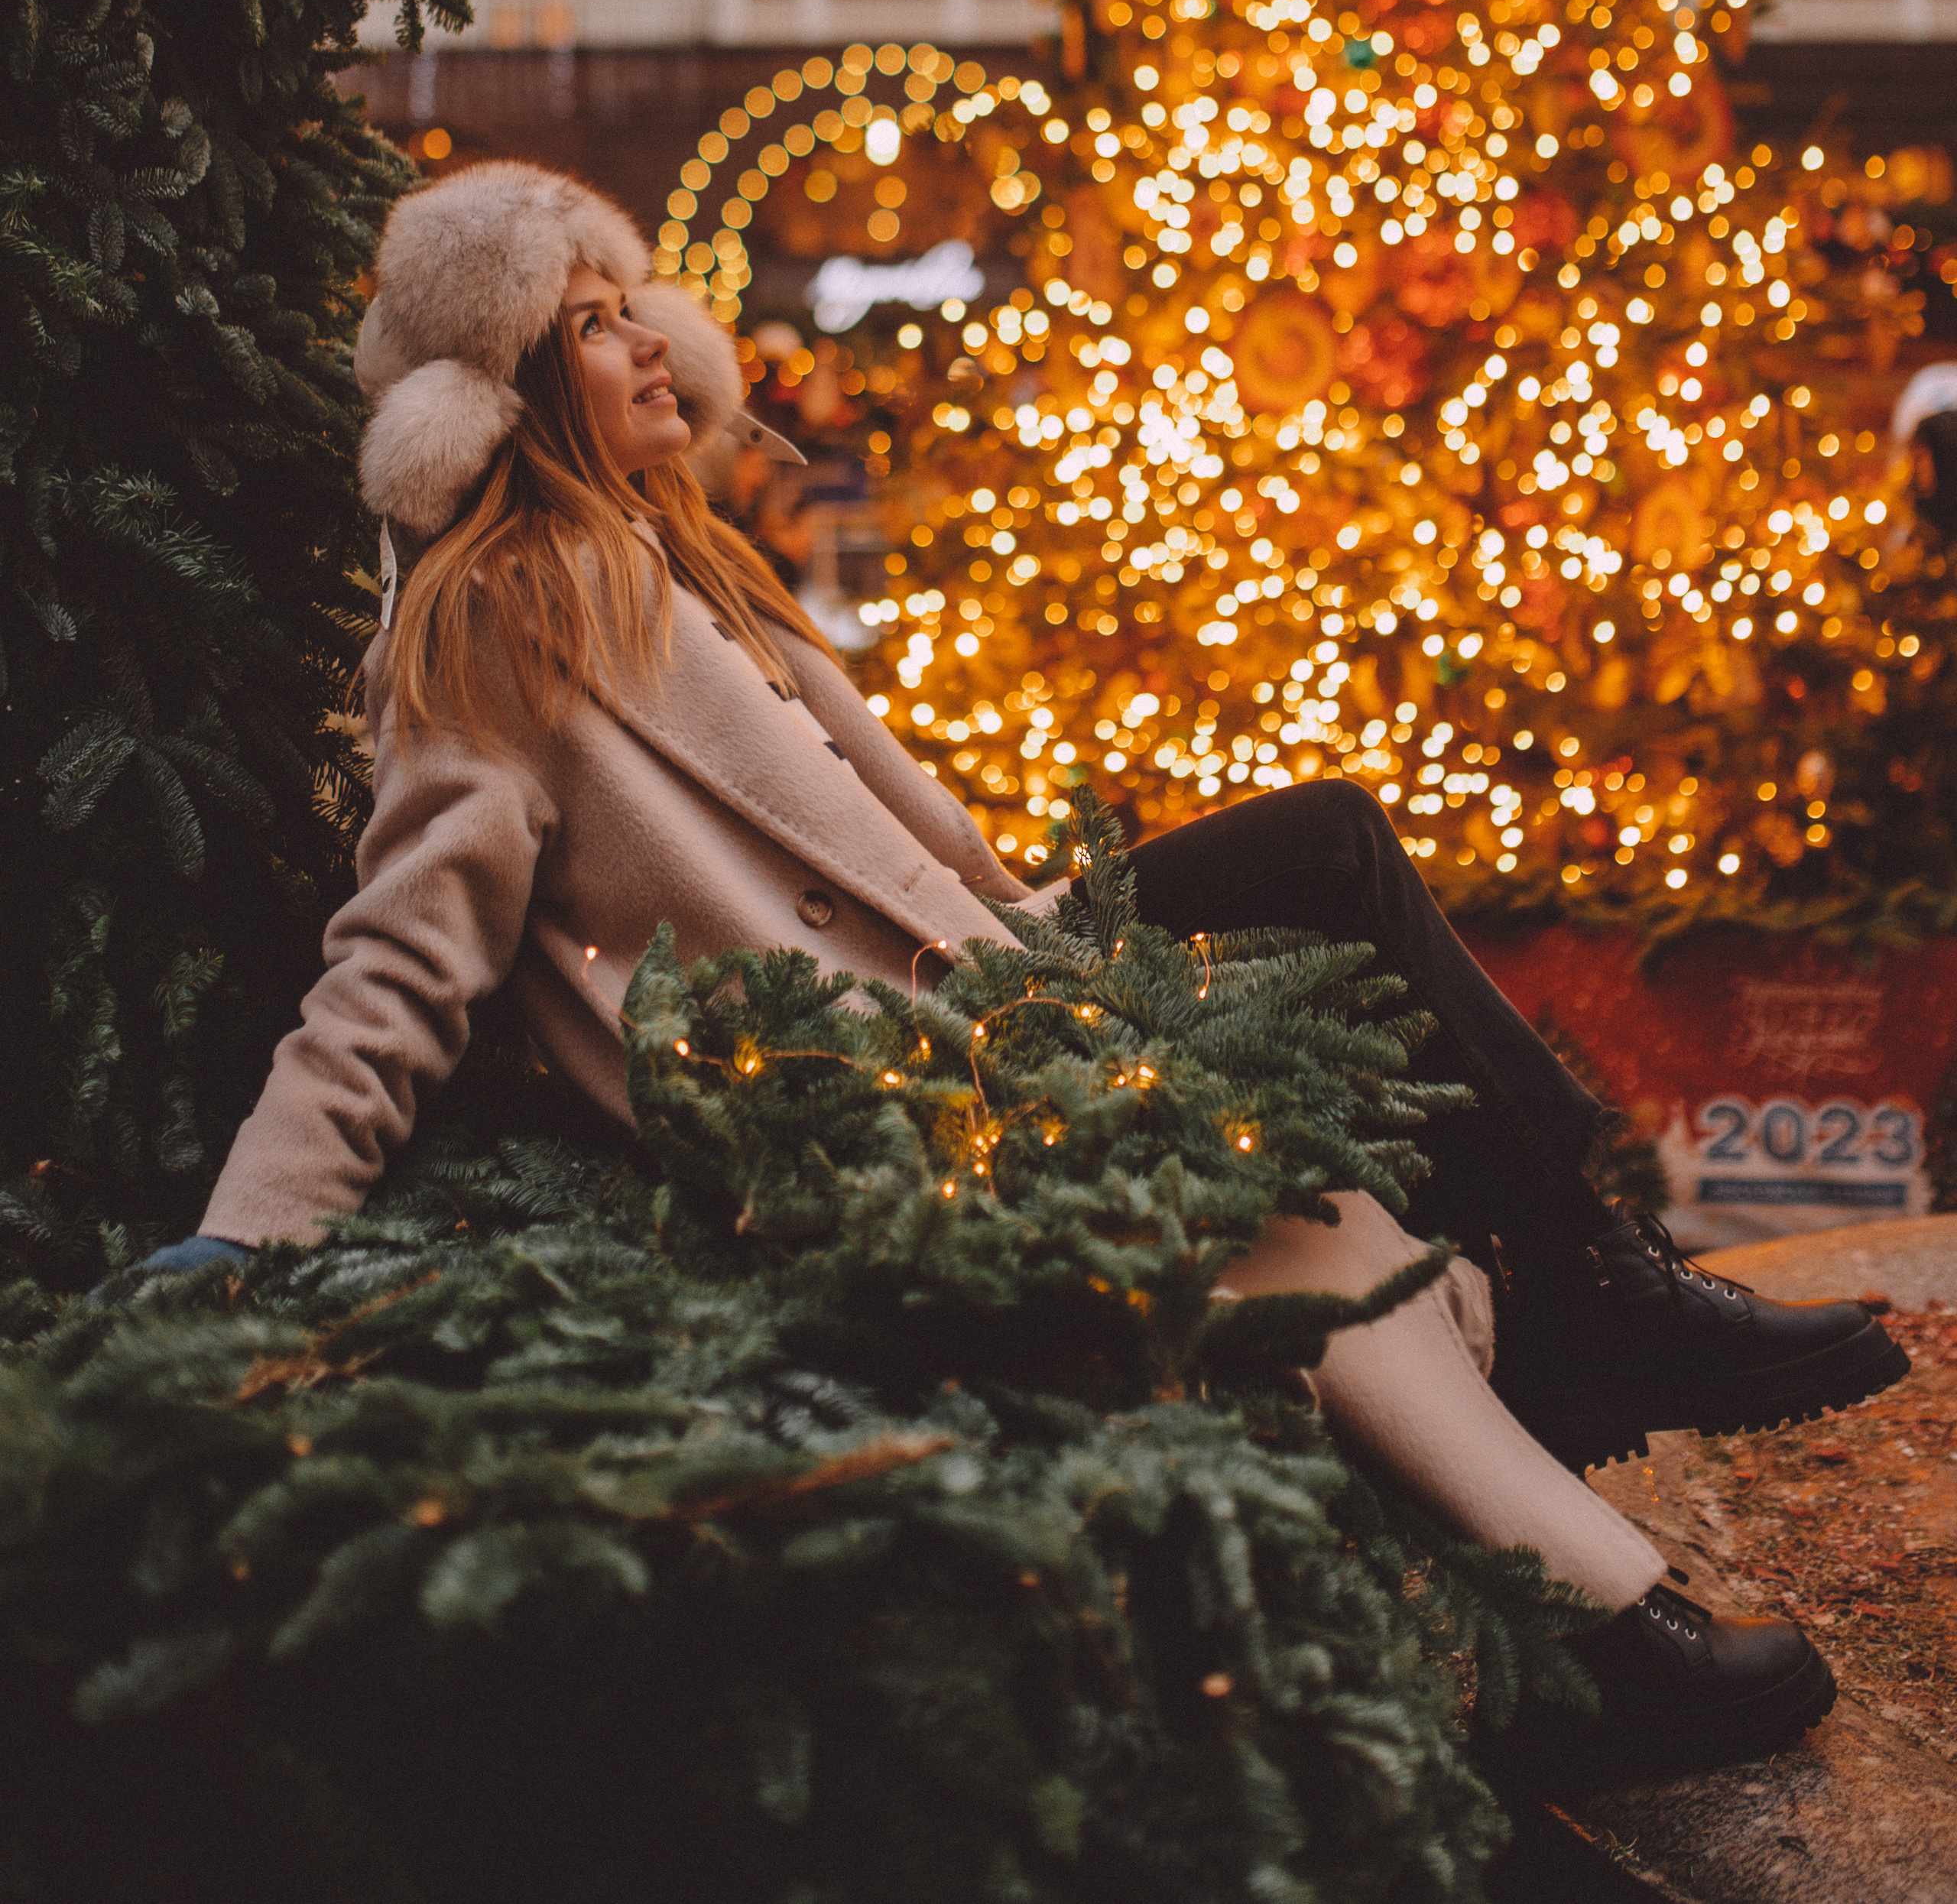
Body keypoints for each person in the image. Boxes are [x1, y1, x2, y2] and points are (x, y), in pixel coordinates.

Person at [150, 163, 1902, 1782]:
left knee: (1327, 854)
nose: (651, 341)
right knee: (1280, 1213)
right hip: (856, 1076)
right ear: (509, 386)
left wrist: (1043, 927)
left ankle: (1592, 1300)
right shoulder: (494, 620)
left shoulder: (689, 565)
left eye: (639, 304)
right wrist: (253, 1229)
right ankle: (1600, 1615)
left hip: (985, 969)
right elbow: (403, 954)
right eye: (592, 322)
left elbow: (900, 846)